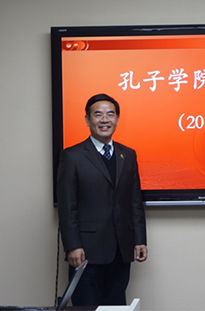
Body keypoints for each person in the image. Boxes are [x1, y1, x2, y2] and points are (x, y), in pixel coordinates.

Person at [57, 93, 147, 306]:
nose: (105, 120)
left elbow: (134, 201)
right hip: (86, 251)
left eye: (110, 114)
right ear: (87, 120)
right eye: (98, 115)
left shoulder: (128, 155)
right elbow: (67, 206)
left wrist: (139, 239)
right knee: (87, 306)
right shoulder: (72, 156)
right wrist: (72, 246)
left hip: (120, 251)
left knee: (116, 306)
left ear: (117, 119)